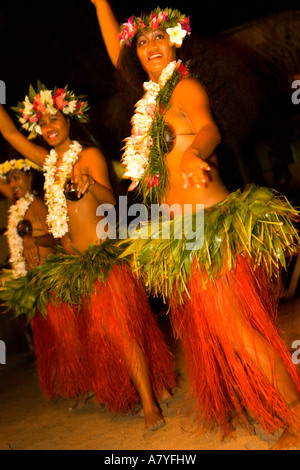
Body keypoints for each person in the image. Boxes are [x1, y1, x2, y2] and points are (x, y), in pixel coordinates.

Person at [91, 1, 300, 449]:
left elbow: (208, 130)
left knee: (239, 332)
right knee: (230, 332)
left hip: (207, 227)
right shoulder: (151, 100)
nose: (149, 44)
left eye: (158, 36)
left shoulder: (184, 88)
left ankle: (298, 422)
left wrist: (193, 154)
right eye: (141, 40)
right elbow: (117, 50)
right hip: (180, 233)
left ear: (176, 43)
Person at [0, 82, 176, 431]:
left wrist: (88, 185)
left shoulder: (89, 157)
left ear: (69, 120)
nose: (49, 128)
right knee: (104, 336)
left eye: (55, 120)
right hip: (74, 267)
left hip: (102, 258)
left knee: (122, 332)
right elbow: (7, 131)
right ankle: (156, 385)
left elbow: (111, 205)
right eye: (43, 124)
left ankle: (149, 405)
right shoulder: (49, 165)